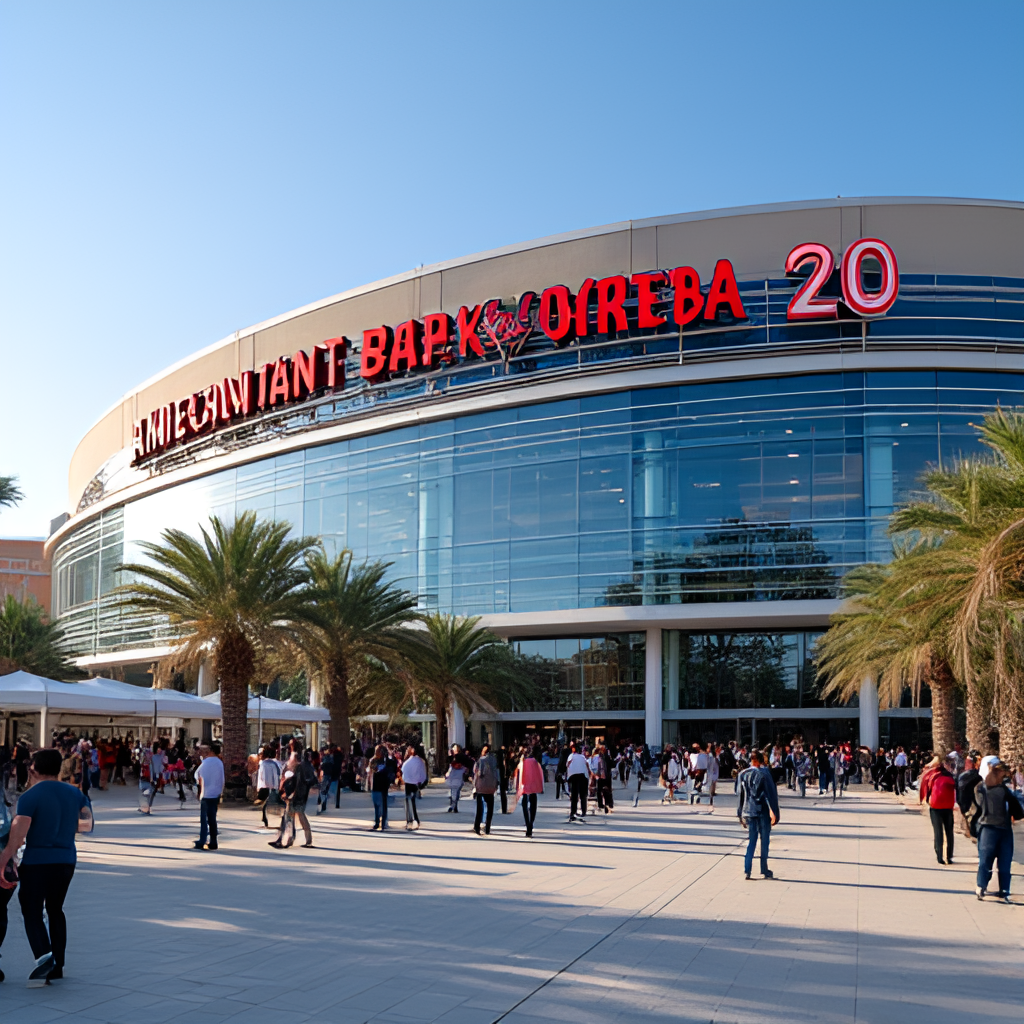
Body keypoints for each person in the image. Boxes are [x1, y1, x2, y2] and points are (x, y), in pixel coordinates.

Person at [0, 748, 90, 986]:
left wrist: (4, 860)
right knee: (56, 909)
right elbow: (86, 825)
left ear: (34, 768)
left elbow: (18, 837)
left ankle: (44, 958)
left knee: (30, 910)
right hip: (66, 859)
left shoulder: (30, 797)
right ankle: (58, 964)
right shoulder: (76, 794)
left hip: (38, 861)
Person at [969, 755, 1024, 902]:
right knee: (1004, 862)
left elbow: (978, 807)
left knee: (986, 860)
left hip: (987, 828)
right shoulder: (1002, 791)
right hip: (1002, 829)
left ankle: (982, 886)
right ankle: (1003, 890)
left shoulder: (980, 788)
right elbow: (1018, 812)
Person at [736, 750, 780, 881]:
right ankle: (764, 868)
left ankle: (747, 869)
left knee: (752, 840)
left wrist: (740, 813)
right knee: (764, 840)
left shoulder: (742, 774)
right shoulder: (764, 774)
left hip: (748, 810)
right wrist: (775, 812)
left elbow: (739, 794)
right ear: (761, 761)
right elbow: (770, 794)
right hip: (762, 810)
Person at [919, 754, 957, 864]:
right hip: (948, 806)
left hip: (935, 806)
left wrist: (925, 800)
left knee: (938, 831)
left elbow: (925, 786)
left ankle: (939, 856)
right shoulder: (951, 776)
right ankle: (949, 856)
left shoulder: (932, 774)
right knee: (949, 832)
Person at [192, 744, 224, 851]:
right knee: (212, 818)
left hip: (206, 793)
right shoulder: (220, 763)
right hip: (216, 793)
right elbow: (222, 779)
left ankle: (202, 840)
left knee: (204, 819)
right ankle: (213, 841)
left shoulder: (205, 762)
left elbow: (197, 775)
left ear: (211, 751)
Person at [513, 746, 544, 837]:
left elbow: (517, 775)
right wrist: (541, 787)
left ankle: (528, 823)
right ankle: (531, 822)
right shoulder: (535, 762)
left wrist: (517, 788)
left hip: (524, 788)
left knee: (525, 805)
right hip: (534, 788)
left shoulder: (521, 763)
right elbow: (540, 775)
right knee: (533, 805)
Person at [366, 744, 396, 832]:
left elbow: (392, 769)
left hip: (383, 785)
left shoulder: (387, 761)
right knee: (376, 804)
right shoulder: (373, 760)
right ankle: (377, 821)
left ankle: (383, 822)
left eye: (379, 751)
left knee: (383, 804)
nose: (378, 752)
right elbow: (371, 771)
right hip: (375, 784)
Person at [472, 745, 498, 835]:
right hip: (491, 786)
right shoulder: (494, 760)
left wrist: (474, 785)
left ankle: (477, 826)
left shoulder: (481, 760)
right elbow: (496, 772)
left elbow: (477, 773)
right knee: (490, 808)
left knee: (480, 808)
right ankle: (487, 827)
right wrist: (496, 783)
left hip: (481, 786)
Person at [255, 744, 282, 829]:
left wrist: (259, 786)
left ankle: (266, 820)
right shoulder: (272, 764)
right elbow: (276, 776)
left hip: (266, 787)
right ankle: (266, 819)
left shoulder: (265, 764)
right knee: (267, 804)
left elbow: (261, 777)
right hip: (270, 787)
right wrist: (276, 786)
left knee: (266, 804)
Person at [401, 745, 427, 830]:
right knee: (414, 801)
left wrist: (405, 779)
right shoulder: (421, 761)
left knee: (408, 801)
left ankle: (409, 820)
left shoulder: (407, 762)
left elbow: (403, 771)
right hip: (416, 783)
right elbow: (423, 774)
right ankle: (416, 819)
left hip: (408, 783)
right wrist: (421, 782)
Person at [565, 743, 590, 822]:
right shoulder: (583, 757)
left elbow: (567, 765)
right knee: (583, 795)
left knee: (574, 796)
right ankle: (583, 811)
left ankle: (573, 811)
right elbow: (587, 765)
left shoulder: (571, 756)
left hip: (573, 777)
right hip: (583, 776)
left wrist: (567, 776)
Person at [445, 746, 467, 813]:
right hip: (457, 778)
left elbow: (450, 769)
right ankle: (454, 806)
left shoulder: (453, 760)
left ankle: (453, 806)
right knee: (455, 793)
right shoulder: (459, 760)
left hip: (456, 777)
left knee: (454, 793)